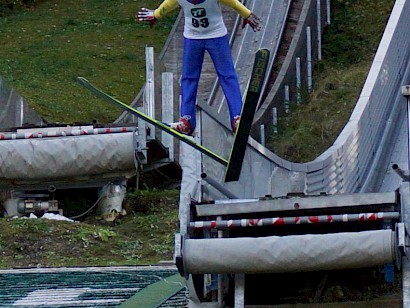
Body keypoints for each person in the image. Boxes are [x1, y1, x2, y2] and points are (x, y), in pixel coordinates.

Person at [136, 0, 261, 135]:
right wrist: (155, 14)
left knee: (227, 75)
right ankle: (187, 119)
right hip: (193, 37)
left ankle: (237, 117)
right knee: (189, 78)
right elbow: (168, 4)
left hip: (216, 36)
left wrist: (247, 15)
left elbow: (234, 3)